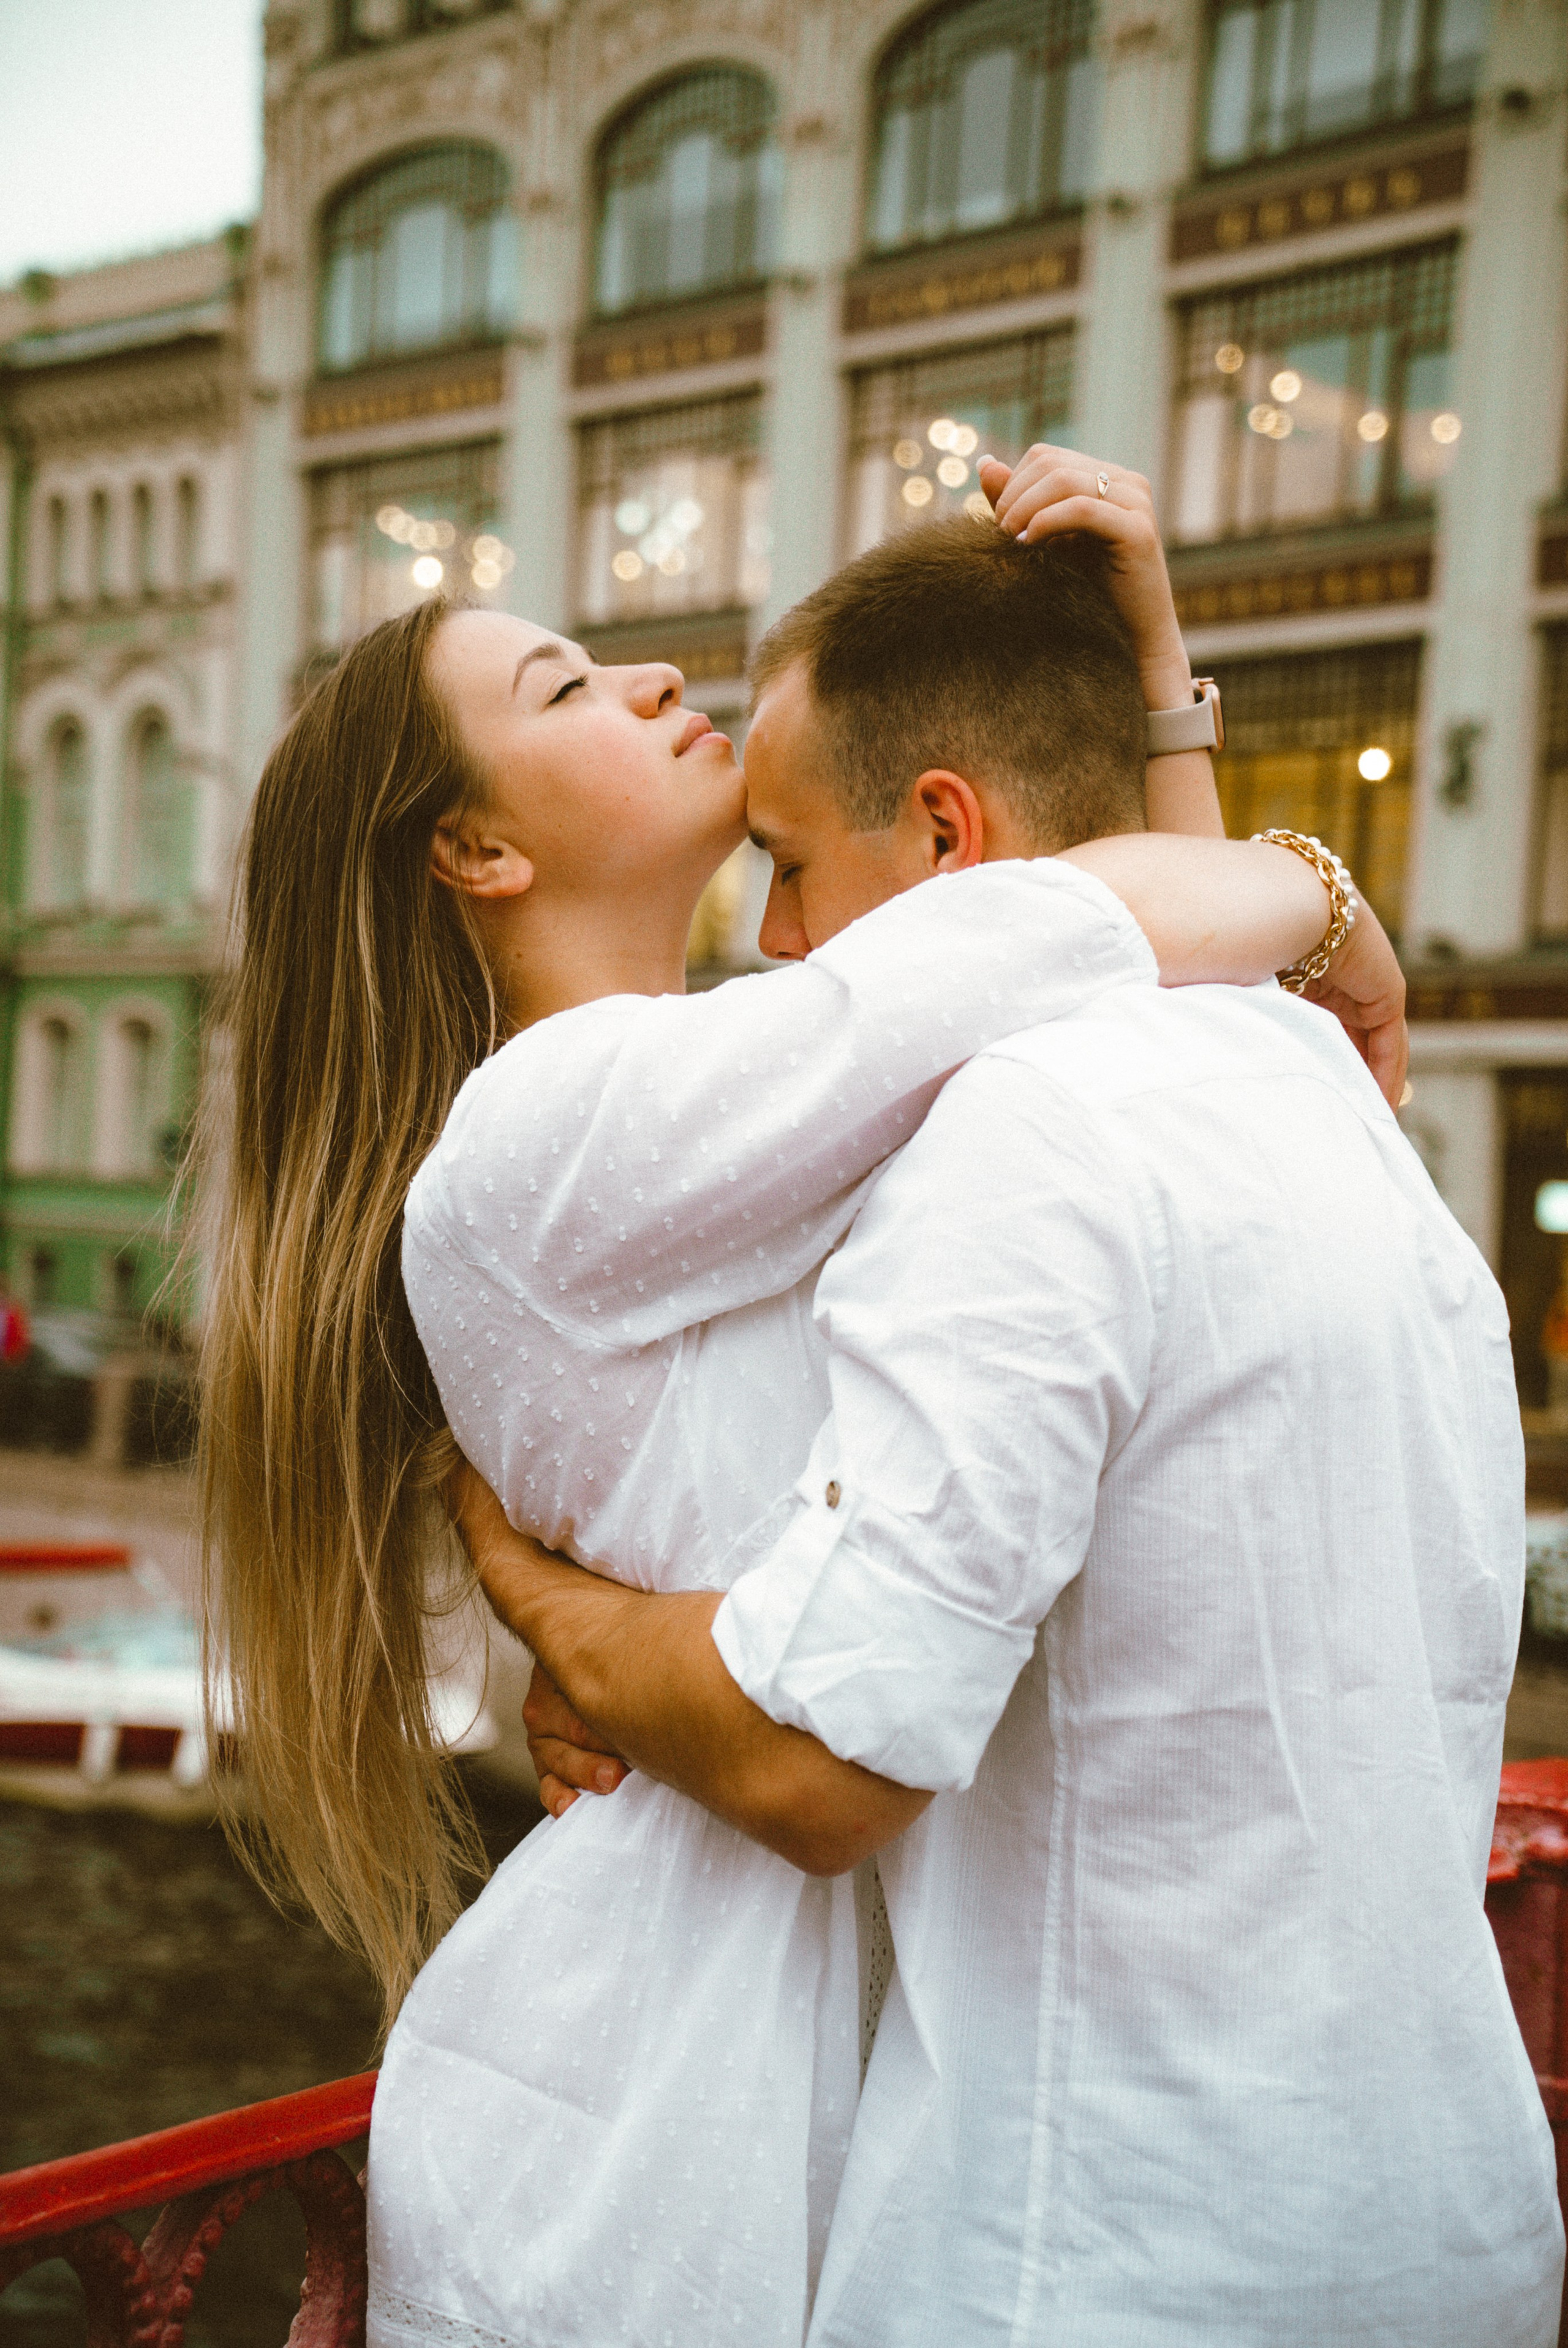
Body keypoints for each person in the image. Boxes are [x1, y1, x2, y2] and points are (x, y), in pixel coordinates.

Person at [198, 447, 1400, 2348]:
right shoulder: (540, 1129)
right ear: (477, 849)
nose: (654, 683)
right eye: (569, 690)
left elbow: (1139, 1018)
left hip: (823, 2042)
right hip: (656, 2108)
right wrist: (1317, 893)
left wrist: (1158, 688)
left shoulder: (747, 1101)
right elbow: (1053, 933)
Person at [448, 466, 1563, 2344]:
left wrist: (561, 1608)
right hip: (1448, 2223)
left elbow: (821, 1762)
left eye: (790, 867)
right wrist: (1224, 779)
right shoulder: (1354, 1135)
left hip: (1109, 2257)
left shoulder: (1018, 1142)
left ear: (947, 840)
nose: (784, 947)